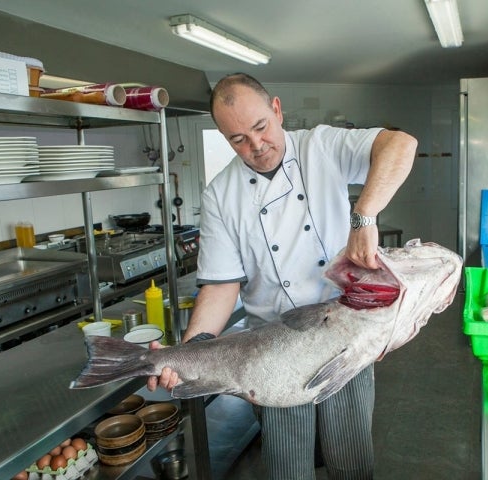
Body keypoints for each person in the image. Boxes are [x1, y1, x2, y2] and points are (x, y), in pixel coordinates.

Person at [147, 73, 417, 478]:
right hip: (271, 349)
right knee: (287, 466)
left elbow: (401, 144)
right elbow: (222, 283)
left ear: (276, 109)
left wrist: (364, 215)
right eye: (238, 139)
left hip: (342, 334)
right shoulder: (221, 194)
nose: (256, 146)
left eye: (261, 127)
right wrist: (190, 351)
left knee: (351, 461)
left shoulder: (321, 146)